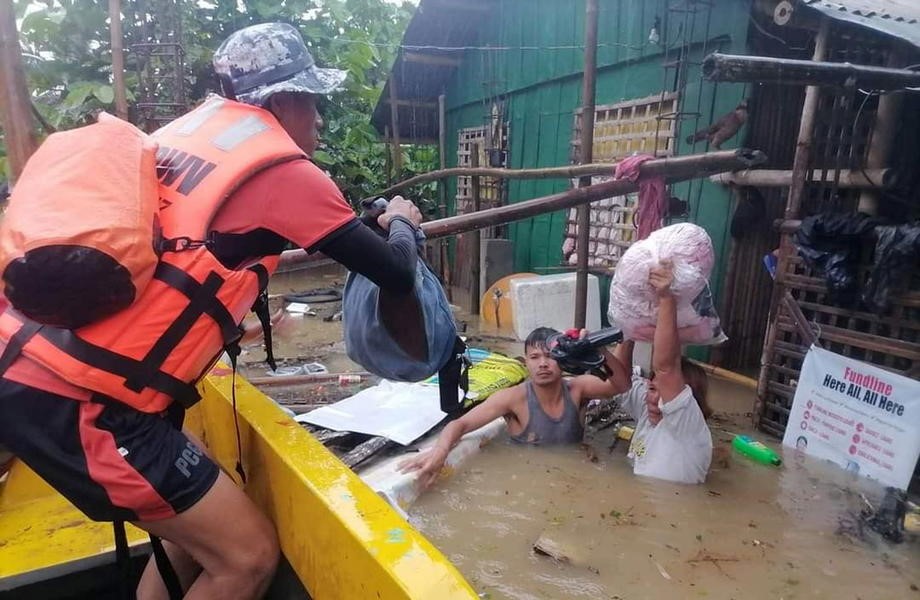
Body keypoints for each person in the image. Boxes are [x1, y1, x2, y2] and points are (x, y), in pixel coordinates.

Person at [0, 23, 427, 600]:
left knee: (197, 520)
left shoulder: (183, 139)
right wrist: (403, 221)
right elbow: (396, 273)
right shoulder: (285, 173)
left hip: (29, 365)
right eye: (313, 102)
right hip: (88, 405)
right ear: (281, 102)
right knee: (247, 557)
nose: (320, 120)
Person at [399, 327, 631, 490]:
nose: (543, 363)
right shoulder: (513, 399)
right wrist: (440, 452)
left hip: (574, 478)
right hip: (526, 479)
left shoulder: (577, 389)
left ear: (563, 358)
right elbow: (460, 424)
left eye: (550, 356)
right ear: (525, 362)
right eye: (534, 357)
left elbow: (621, 385)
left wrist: (598, 350)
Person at [611, 260, 713, 485]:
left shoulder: (686, 423)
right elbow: (620, 384)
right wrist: (628, 327)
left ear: (688, 400)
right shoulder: (649, 411)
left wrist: (667, 298)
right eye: (652, 388)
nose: (654, 398)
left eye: (664, 393)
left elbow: (666, 368)